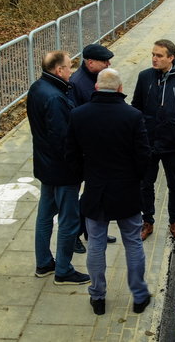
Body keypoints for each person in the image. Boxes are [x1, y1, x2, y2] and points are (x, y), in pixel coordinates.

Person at [66, 68, 152, 316]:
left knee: (95, 244)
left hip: (96, 191)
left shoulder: (79, 115)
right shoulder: (133, 116)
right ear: (120, 88)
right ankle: (139, 296)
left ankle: (98, 297)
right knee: (133, 243)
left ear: (96, 88)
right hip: (126, 191)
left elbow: (70, 154)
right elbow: (143, 155)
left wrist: (86, 176)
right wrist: (134, 178)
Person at [26, 50, 90, 285]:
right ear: (58, 70)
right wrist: (79, 167)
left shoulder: (37, 87)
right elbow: (64, 139)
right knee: (69, 221)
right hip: (63, 170)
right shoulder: (55, 98)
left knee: (44, 216)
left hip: (45, 166)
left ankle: (44, 263)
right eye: (69, 67)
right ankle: (63, 270)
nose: (71, 71)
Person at [132, 39, 175, 242]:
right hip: (148, 142)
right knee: (146, 184)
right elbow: (136, 106)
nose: (154, 59)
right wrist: (139, 133)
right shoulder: (144, 77)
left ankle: (174, 222)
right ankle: (147, 221)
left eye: (159, 55)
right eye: (153, 54)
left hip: (172, 144)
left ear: (171, 58)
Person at [70, 44, 117, 249]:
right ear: (90, 63)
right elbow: (77, 118)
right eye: (104, 61)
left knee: (96, 192)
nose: (109, 64)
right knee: (86, 195)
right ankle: (75, 235)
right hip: (87, 149)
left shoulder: (94, 78)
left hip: (99, 147)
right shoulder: (77, 84)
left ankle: (92, 232)